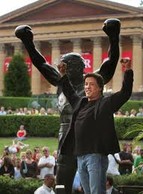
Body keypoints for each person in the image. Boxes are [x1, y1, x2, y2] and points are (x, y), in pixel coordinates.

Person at [15, 18, 120, 194]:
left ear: (77, 68)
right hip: (66, 138)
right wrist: (27, 41)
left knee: (94, 184)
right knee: (62, 183)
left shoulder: (92, 82)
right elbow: (41, 64)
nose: (60, 66)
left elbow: (111, 61)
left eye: (64, 64)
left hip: (90, 139)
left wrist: (114, 37)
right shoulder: (60, 82)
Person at [58, 58, 133, 194]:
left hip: (96, 156)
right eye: (86, 84)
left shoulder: (106, 103)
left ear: (100, 87)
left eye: (91, 84)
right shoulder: (80, 103)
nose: (87, 87)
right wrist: (63, 75)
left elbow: (125, 93)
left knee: (96, 191)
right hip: (80, 156)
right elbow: (69, 91)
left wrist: (127, 70)